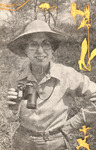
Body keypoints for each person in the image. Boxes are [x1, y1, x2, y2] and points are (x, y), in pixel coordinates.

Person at [7, 20, 96, 150]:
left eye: (46, 44)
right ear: (25, 49)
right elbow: (11, 117)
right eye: (33, 44)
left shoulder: (66, 74)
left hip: (55, 143)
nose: (40, 51)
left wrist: (72, 124)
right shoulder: (16, 77)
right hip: (22, 142)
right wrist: (14, 109)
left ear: (53, 48)